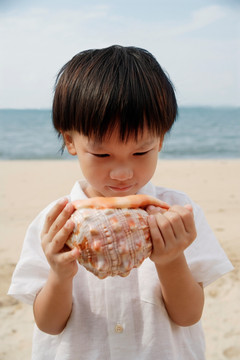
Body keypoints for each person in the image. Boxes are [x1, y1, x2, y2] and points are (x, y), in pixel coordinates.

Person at [8, 45, 233, 360]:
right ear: (70, 140)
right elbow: (48, 325)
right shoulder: (55, 223)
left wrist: (171, 260)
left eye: (141, 152)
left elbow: (188, 315)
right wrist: (60, 274)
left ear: (161, 139)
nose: (123, 172)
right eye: (102, 154)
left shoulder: (176, 213)